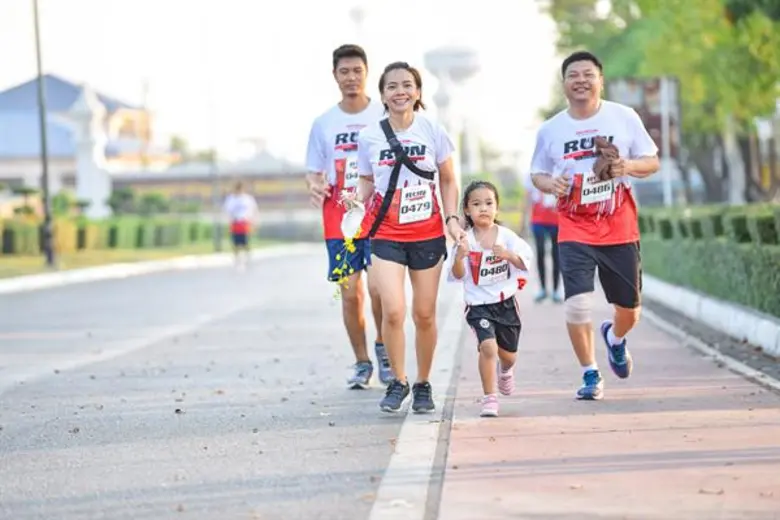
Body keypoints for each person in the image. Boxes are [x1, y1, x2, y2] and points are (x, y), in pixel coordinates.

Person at [529, 50, 660, 401]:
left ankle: (615, 339)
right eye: (573, 75)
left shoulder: (623, 116)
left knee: (629, 312)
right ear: (564, 84)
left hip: (619, 224)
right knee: (576, 305)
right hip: (573, 225)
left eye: (588, 74)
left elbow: (652, 161)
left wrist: (627, 167)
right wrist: (549, 185)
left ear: (600, 80)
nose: (581, 80)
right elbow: (537, 172)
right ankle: (590, 372)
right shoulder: (551, 129)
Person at [345, 61, 465, 413]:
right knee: (394, 310)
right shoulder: (368, 136)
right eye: (392, 86)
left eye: (407, 85)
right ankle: (398, 381)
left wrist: (451, 217)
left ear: (418, 92)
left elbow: (447, 178)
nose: (400, 91)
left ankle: (423, 383)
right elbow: (367, 180)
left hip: (427, 234)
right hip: (385, 231)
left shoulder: (432, 130)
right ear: (381, 94)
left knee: (424, 314)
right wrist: (355, 198)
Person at [305, 44, 391, 389]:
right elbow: (313, 171)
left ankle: (385, 350)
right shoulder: (324, 123)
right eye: (345, 71)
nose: (351, 77)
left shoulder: (383, 117)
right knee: (351, 291)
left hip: (379, 214)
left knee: (379, 289)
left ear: (367, 73)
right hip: (339, 219)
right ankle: (361, 362)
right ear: (335, 76)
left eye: (357, 70)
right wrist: (314, 185)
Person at [448, 180, 533, 417]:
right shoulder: (465, 241)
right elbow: (457, 275)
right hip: (478, 306)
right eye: (476, 204)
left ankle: (505, 371)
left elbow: (524, 260)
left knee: (508, 355)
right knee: (487, 347)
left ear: (497, 208)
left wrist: (508, 255)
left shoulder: (506, 236)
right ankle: (489, 398)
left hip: (505, 303)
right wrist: (459, 257)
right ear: (467, 210)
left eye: (488, 203)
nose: (483, 208)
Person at [524, 176, 562, 303]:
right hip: (537, 221)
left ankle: (556, 290)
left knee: (556, 255)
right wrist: (523, 221)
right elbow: (527, 198)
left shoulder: (558, 171)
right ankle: (543, 289)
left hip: (556, 220)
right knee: (540, 253)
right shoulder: (531, 174)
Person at [222, 181, 259, 270]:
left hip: (244, 222)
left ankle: (247, 257)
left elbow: (253, 210)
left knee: (245, 241)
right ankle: (237, 258)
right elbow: (227, 211)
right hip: (235, 222)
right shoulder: (231, 199)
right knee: (235, 242)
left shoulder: (247, 199)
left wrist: (254, 222)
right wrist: (228, 222)